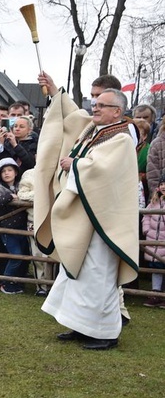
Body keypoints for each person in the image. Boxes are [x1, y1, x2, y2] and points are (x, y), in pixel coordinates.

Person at [34, 72, 139, 351]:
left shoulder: (121, 138)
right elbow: (73, 116)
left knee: (98, 276)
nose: (95, 107)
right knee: (76, 272)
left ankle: (105, 332)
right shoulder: (95, 130)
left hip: (105, 220)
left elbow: (103, 170)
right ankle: (81, 326)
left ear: (117, 111)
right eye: (95, 102)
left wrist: (77, 164)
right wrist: (55, 92)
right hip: (87, 216)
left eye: (102, 104)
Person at [0, 158, 29, 295]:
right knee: (16, 255)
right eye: (4, 171)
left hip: (22, 226)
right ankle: (5, 282)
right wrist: (9, 198)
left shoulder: (22, 185)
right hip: (6, 227)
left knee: (23, 255)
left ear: (15, 172)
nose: (7, 173)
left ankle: (16, 281)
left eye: (10, 170)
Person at [17, 169, 54, 297]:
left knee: (53, 256)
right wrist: (43, 195)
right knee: (37, 255)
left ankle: (53, 286)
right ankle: (41, 286)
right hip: (34, 221)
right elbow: (22, 195)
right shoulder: (29, 174)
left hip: (54, 221)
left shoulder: (60, 171)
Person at [142, 176, 165, 308]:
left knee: (163, 267)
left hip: (163, 241)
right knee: (155, 267)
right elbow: (146, 215)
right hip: (153, 241)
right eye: (161, 184)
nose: (163, 186)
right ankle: (155, 293)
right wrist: (146, 229)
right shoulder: (153, 202)